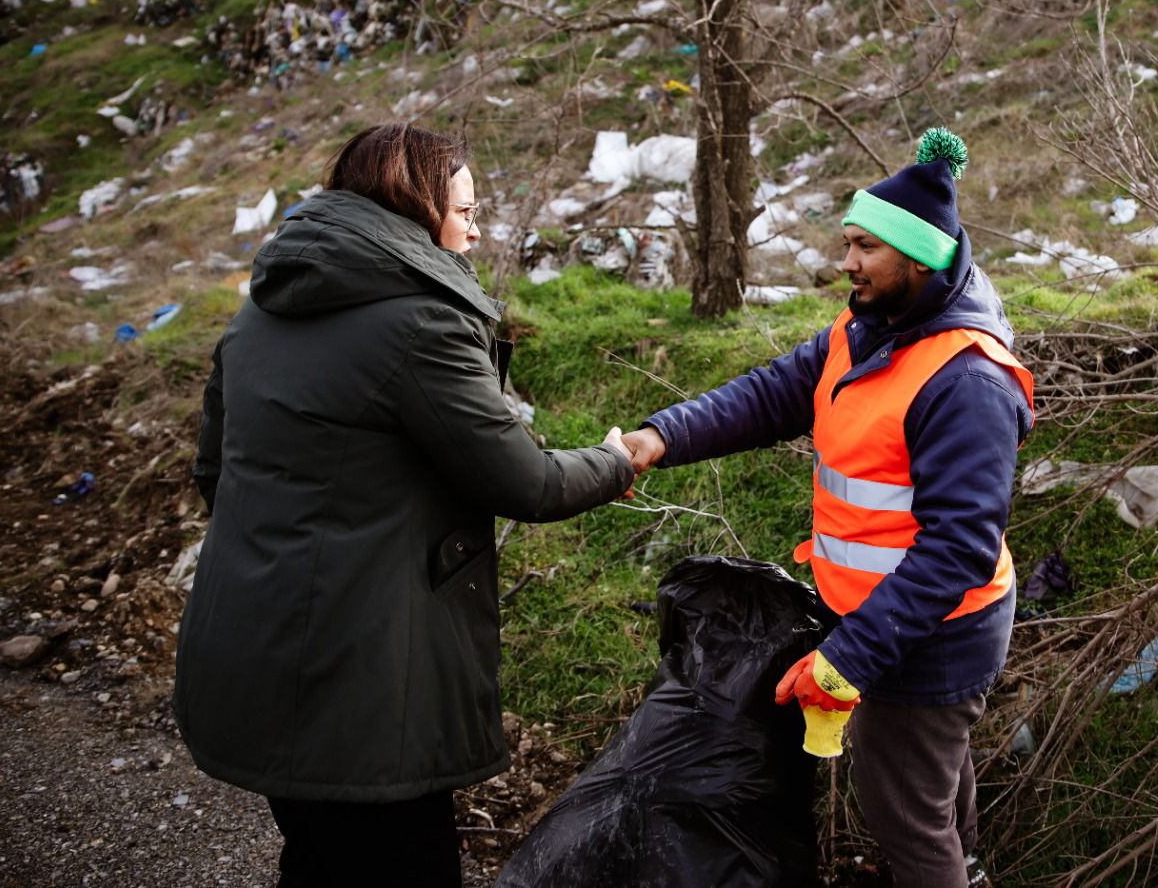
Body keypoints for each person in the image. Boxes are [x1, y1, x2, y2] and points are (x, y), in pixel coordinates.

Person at [175, 124, 636, 887]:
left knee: (321, 854)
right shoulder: (421, 325)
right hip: (359, 680)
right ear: (416, 208)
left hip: (249, 645)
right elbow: (531, 483)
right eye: (464, 210)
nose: (477, 228)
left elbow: (214, 472)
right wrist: (618, 461)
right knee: (398, 860)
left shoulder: (262, 307)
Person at [623, 129, 1034, 888]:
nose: (846, 263)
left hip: (931, 633)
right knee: (930, 783)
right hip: (889, 618)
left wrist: (846, 659)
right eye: (848, 243)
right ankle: (970, 868)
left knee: (905, 813)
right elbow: (775, 393)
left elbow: (957, 551)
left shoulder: (966, 381)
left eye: (864, 247)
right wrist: (663, 435)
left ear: (921, 254)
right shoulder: (869, 329)